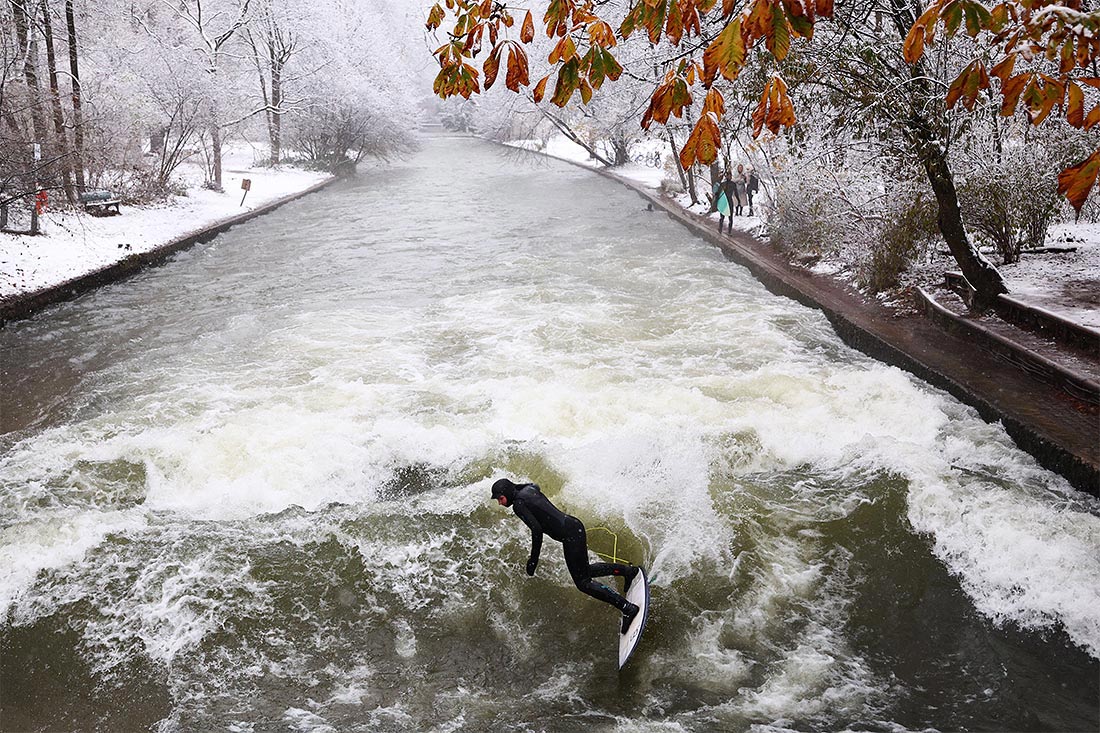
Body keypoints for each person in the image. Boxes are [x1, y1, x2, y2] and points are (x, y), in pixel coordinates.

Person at [491, 478, 641, 633]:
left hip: (570, 536)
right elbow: (535, 485)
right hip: (574, 525)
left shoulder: (518, 505)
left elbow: (536, 530)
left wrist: (533, 560)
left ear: (507, 492)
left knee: (583, 582)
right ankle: (628, 571)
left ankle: (627, 608)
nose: (500, 503)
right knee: (586, 571)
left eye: (500, 498)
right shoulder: (528, 489)